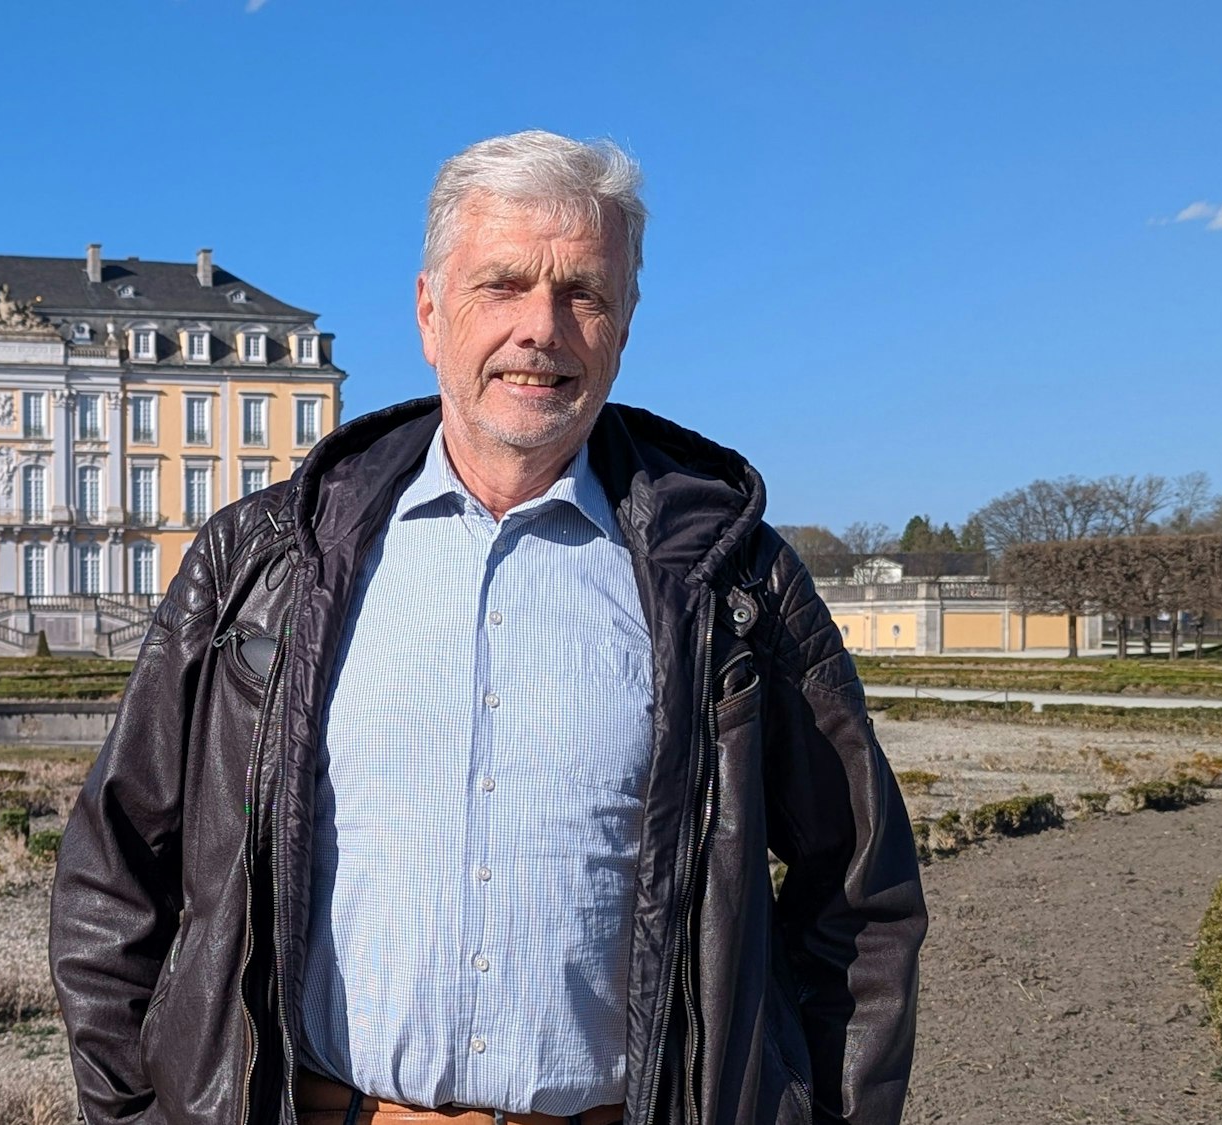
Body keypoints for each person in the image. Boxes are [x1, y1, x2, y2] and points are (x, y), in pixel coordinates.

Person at [50, 130, 926, 1125]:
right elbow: (112, 872)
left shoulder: (735, 580)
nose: (539, 330)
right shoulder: (261, 563)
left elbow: (855, 902)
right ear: (429, 312)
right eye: (500, 286)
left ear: (625, 321)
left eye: (581, 293)